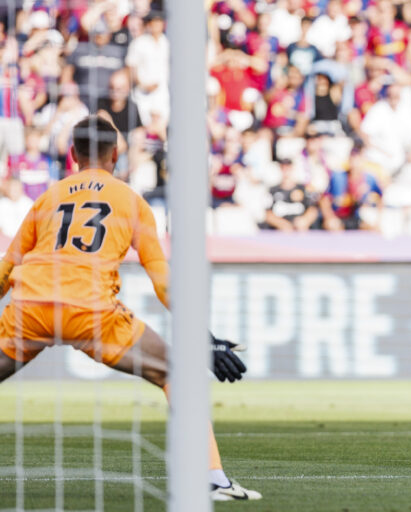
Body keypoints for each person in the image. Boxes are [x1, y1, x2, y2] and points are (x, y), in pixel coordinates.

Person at [0, 115, 261, 501]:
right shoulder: (132, 202)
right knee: (177, 373)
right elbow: (163, 282)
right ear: (117, 155)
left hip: (30, 306)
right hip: (89, 312)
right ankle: (211, 478)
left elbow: (7, 267)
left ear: (72, 155)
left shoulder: (48, 198)